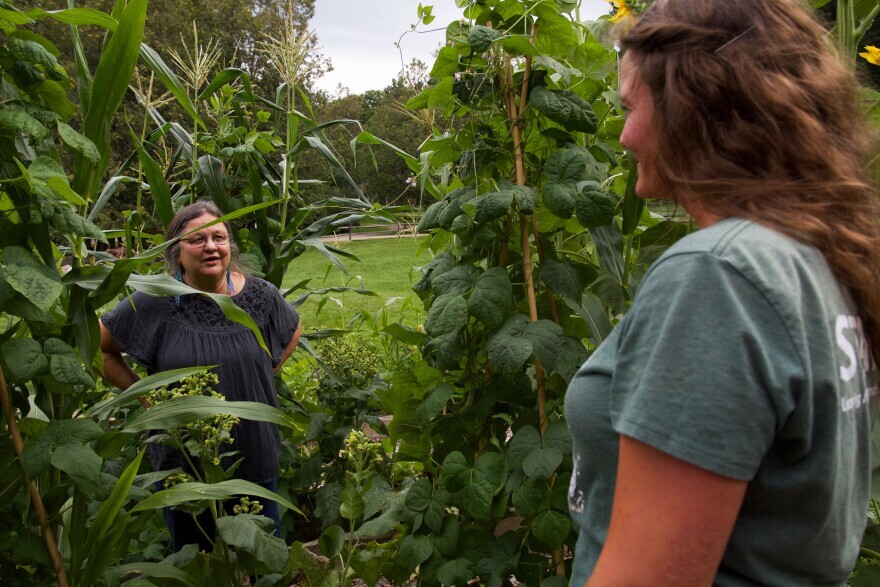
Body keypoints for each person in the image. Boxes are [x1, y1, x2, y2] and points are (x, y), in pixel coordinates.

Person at [565, 0, 880, 585]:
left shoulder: (719, 277)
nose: (624, 134)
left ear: (690, 106)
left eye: (630, 108)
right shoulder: (816, 259)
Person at [100, 201, 301, 552]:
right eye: (197, 239)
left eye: (219, 237)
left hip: (253, 449)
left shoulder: (261, 296)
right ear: (176, 252)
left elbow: (293, 328)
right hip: (186, 462)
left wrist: (267, 370)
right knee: (197, 559)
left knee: (263, 557)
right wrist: (148, 397)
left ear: (229, 246)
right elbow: (99, 346)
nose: (211, 246)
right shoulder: (155, 301)